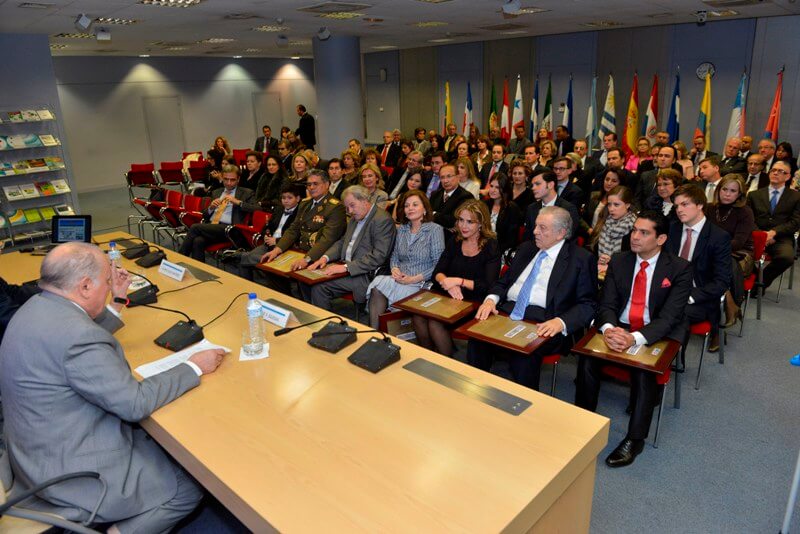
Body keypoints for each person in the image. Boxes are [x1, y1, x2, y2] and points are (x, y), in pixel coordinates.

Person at [0, 242, 226, 532]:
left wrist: (117, 301)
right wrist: (194, 366)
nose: (109, 287)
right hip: (72, 474)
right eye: (107, 282)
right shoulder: (77, 337)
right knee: (188, 485)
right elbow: (134, 404)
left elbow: (69, 349)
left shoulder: (34, 308)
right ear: (84, 286)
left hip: (30, 456)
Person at [575, 211, 692, 467]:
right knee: (587, 360)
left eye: (643, 232)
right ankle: (582, 421)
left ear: (660, 238)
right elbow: (606, 303)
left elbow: (670, 317)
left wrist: (635, 338)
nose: (634, 237)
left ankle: (634, 439)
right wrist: (608, 329)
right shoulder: (620, 260)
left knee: (642, 372)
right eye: (634, 230)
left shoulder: (680, 268)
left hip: (655, 330)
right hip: (620, 326)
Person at [467, 206, 596, 390]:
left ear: (560, 233)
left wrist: (561, 322)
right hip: (508, 311)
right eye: (535, 226)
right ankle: (475, 391)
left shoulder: (580, 259)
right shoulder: (527, 248)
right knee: (478, 338)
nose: (534, 231)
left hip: (546, 320)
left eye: (542, 228)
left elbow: (588, 304)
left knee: (523, 353)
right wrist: (491, 299)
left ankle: (524, 407)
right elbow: (503, 282)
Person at [412, 200, 501, 356]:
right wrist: (448, 283)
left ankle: (445, 362)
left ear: (480, 223)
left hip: (473, 301)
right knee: (418, 315)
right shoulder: (455, 240)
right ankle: (427, 356)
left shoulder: (491, 246)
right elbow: (437, 272)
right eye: (461, 220)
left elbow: (488, 285)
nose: (463, 226)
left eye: (469, 222)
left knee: (434, 322)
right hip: (448, 294)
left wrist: (458, 281)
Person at [303, 185, 396, 311]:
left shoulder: (382, 219)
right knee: (305, 278)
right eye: (347, 207)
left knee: (319, 287)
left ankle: (325, 324)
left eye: (352, 205)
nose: (350, 211)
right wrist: (324, 258)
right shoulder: (355, 218)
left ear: (364, 200)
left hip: (363, 274)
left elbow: (378, 256)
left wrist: (345, 268)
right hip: (344, 266)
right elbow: (343, 242)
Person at [668, 183, 732, 351]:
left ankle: (669, 361)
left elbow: (721, 282)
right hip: (669, 289)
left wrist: (690, 295)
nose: (679, 210)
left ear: (700, 205)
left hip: (699, 296)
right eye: (676, 206)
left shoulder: (719, 237)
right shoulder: (672, 229)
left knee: (674, 314)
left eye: (685, 204)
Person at [260, 170, 347, 294]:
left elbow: (327, 239)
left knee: (301, 278)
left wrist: (307, 259)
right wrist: (277, 249)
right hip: (299, 251)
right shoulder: (305, 204)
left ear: (327, 184)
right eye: (308, 184)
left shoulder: (335, 207)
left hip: (318, 255)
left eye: (315, 184)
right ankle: (287, 302)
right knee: (271, 269)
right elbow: (293, 230)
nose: (311, 187)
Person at [367, 190, 445, 328]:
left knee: (392, 291)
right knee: (377, 286)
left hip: (420, 282)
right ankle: (375, 332)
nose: (410, 208)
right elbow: (395, 255)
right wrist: (395, 268)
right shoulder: (402, 229)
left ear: (425, 209)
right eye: (407, 205)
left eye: (415, 204)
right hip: (400, 278)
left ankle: (394, 332)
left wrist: (414, 278)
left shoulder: (435, 230)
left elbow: (439, 264)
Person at [706, 175, 756, 327]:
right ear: (718, 190)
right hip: (713, 253)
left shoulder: (745, 212)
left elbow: (738, 242)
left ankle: (715, 320)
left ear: (740, 194)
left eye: (733, 191)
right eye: (724, 189)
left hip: (739, 255)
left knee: (712, 269)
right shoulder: (709, 208)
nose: (727, 194)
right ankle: (730, 305)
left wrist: (712, 249)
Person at [179, 165, 257, 261]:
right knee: (198, 241)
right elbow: (205, 215)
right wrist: (211, 208)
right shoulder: (217, 192)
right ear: (222, 178)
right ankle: (198, 271)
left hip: (231, 229)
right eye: (226, 179)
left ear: (238, 179)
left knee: (195, 227)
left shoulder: (246, 193)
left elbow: (257, 209)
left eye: (232, 180)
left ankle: (179, 258)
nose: (229, 183)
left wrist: (238, 202)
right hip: (213, 227)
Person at [746, 161, 800, 290]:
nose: (775, 172)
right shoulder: (754, 195)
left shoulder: (796, 197)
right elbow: (748, 219)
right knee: (740, 254)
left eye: (781, 171)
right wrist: (762, 235)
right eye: (773, 170)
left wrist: (774, 233)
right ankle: (753, 280)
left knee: (787, 258)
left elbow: (796, 222)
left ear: (788, 177)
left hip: (781, 237)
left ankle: (759, 285)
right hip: (756, 236)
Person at [236, 182, 303, 280]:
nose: (286, 201)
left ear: (297, 199)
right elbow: (266, 227)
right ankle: (247, 286)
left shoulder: (300, 214)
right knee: (245, 261)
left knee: (245, 258)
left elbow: (297, 235)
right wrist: (266, 235)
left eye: (289, 198)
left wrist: (276, 241)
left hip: (284, 247)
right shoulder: (279, 209)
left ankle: (238, 255)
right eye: (283, 198)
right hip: (267, 244)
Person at [591, 186, 637, 277]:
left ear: (627, 205)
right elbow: (591, 249)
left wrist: (612, 261)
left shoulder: (635, 229)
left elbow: (634, 261)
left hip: (621, 277)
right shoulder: (604, 221)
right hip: (599, 275)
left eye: (616, 205)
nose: (611, 209)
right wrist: (598, 260)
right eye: (609, 204)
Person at [522, 171, 580, 241]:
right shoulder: (531, 208)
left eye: (537, 184)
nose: (533, 188)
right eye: (532, 185)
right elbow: (527, 237)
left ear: (550, 185)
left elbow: (568, 238)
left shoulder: (568, 209)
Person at [485, 172, 523, 254]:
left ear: (505, 189)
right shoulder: (485, 204)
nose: (493, 190)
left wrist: (493, 250)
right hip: (482, 246)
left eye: (497, 187)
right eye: (491, 186)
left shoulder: (512, 209)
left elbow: (511, 240)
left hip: (501, 250)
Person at [429, 163, 474, 231]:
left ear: (458, 176)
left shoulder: (466, 197)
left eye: (449, 176)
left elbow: (452, 221)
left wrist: (434, 213)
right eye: (442, 177)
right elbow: (426, 214)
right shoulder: (435, 194)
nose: (445, 181)